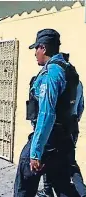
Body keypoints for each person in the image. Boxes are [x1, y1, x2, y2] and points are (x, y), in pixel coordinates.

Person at [13, 29, 81, 197]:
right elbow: (78, 109)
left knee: (25, 181)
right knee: (63, 184)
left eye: (36, 49)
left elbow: (46, 114)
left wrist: (36, 152)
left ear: (43, 48)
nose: (35, 53)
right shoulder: (70, 72)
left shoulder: (51, 74)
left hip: (48, 140)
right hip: (64, 139)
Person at [37, 54, 85, 197]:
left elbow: (48, 110)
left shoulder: (54, 77)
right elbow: (81, 107)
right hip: (71, 128)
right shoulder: (78, 83)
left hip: (56, 129)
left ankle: (50, 191)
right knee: (69, 162)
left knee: (53, 161)